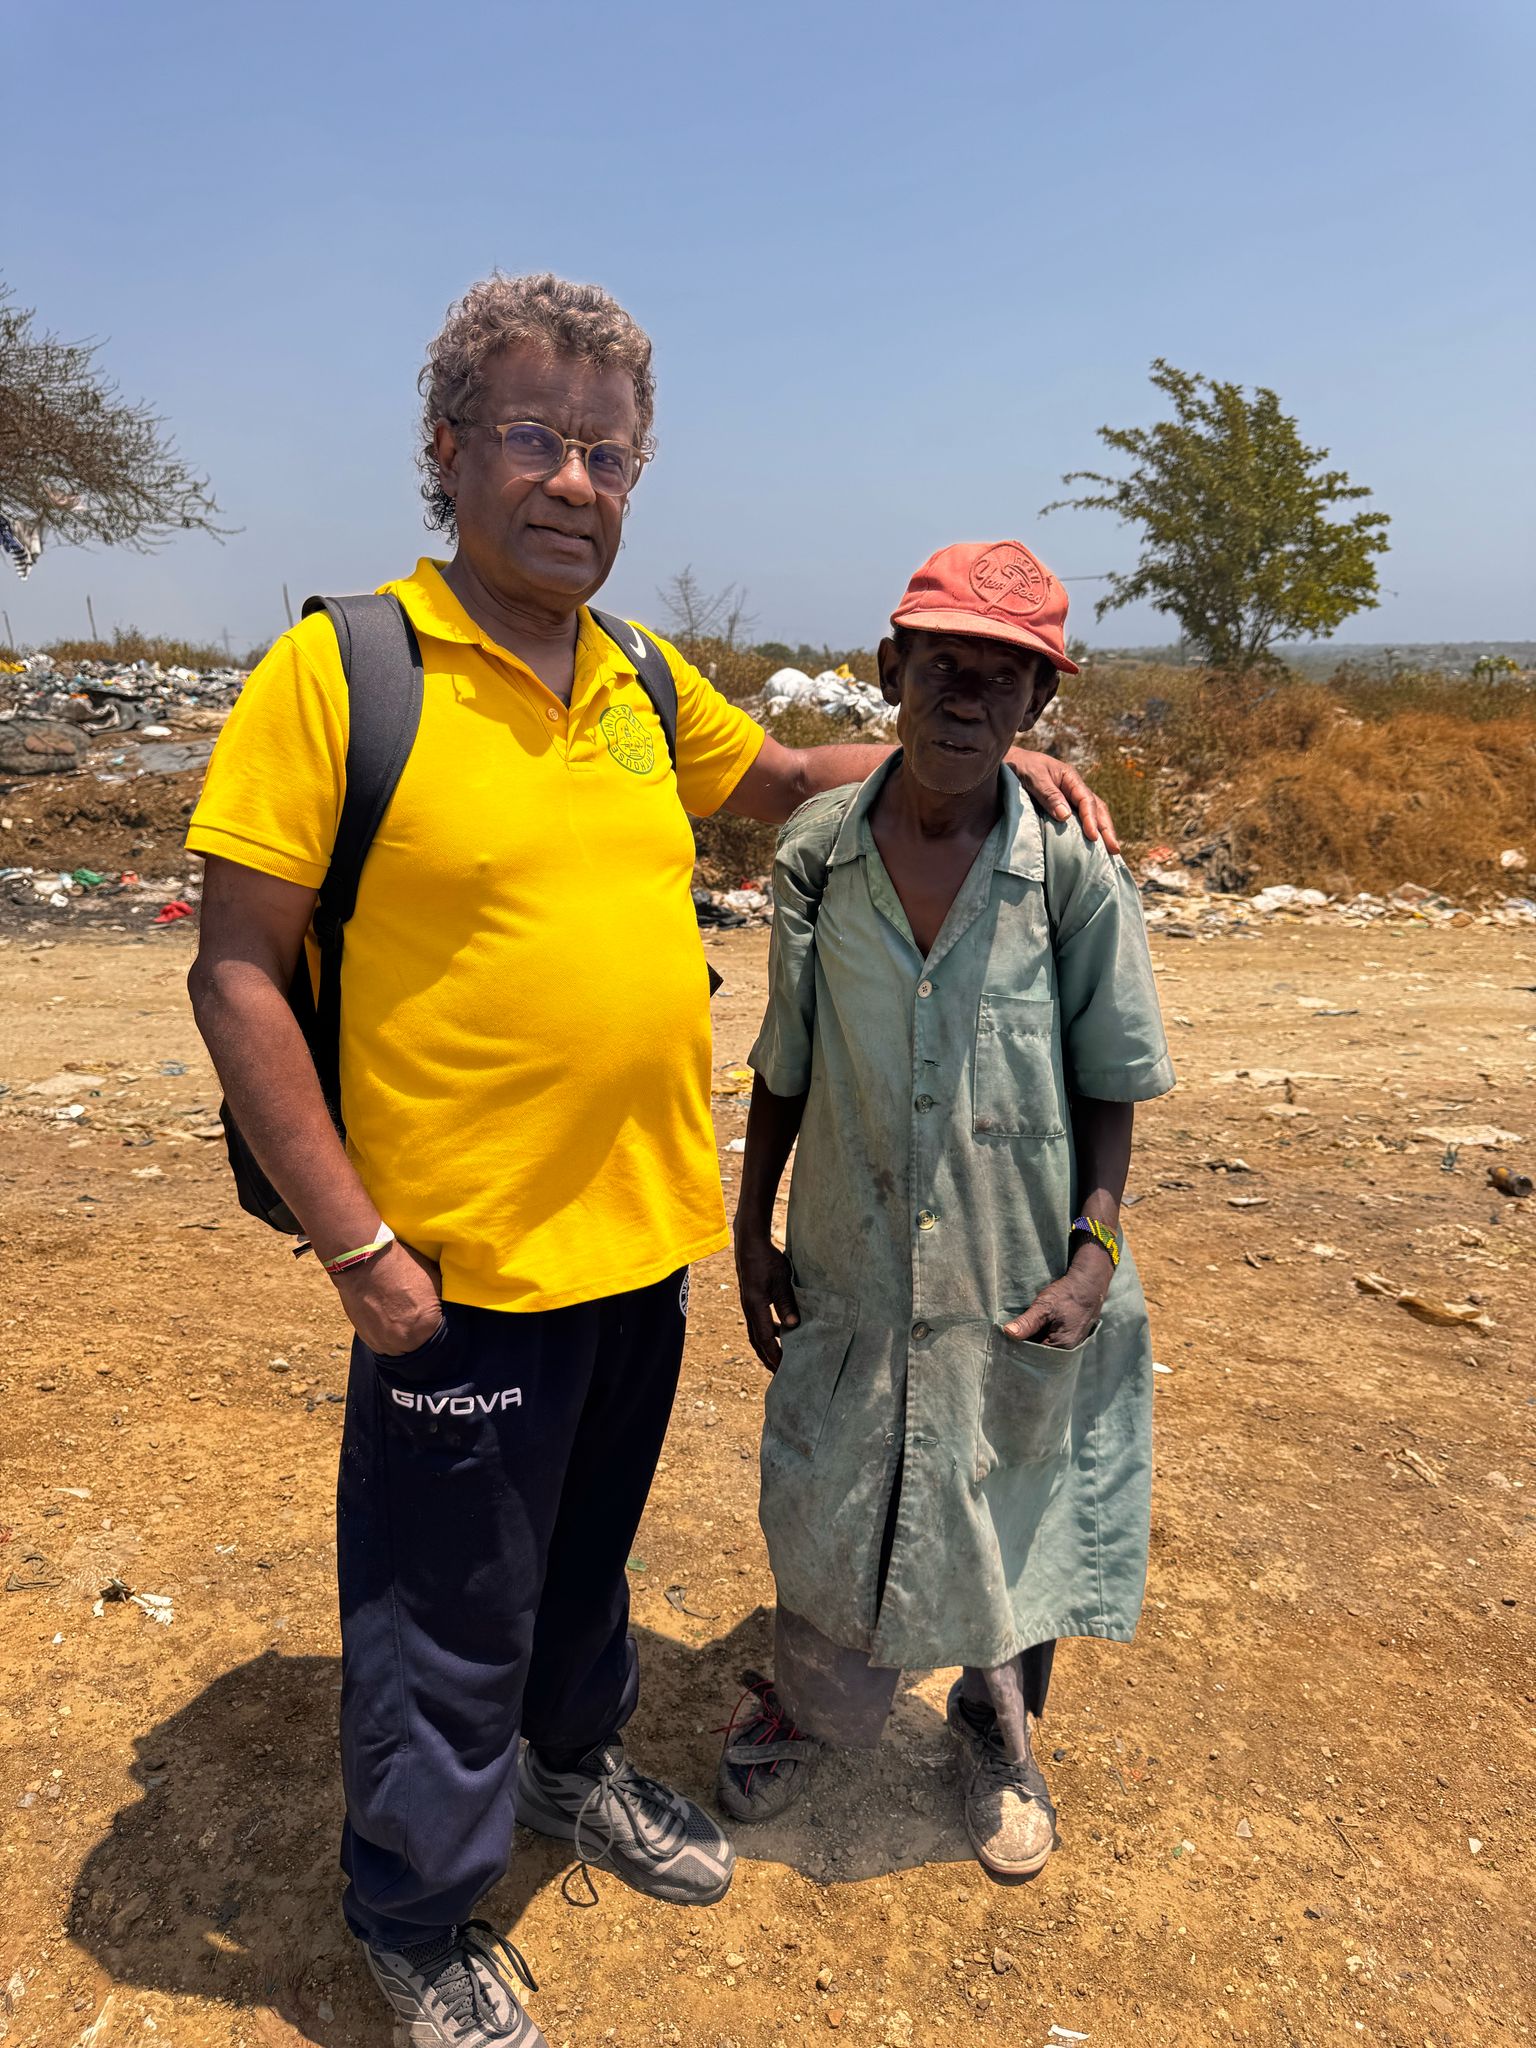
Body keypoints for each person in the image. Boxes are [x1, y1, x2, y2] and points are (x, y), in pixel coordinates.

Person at [185, 277, 1114, 2046]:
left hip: (636, 1244)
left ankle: (569, 1766)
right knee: (445, 1612)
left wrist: (1001, 763)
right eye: (535, 436)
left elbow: (784, 773)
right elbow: (236, 971)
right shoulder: (345, 671)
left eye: (610, 453)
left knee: (582, 1564)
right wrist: (358, 1247)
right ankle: (416, 1915)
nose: (575, 481)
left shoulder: (632, 674)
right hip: (452, 1269)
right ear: (447, 448)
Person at [721, 539, 1175, 1883]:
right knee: (837, 1480)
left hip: (1014, 1263)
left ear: (1039, 703)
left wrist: (1092, 1254)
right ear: (891, 672)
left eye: (1001, 676)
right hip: (852, 1254)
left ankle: (997, 1725)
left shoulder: (1072, 872)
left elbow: (1110, 1080)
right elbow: (786, 1059)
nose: (966, 697)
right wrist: (751, 1228)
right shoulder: (820, 857)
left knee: (1013, 1493)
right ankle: (815, 1708)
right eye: (942, 666)